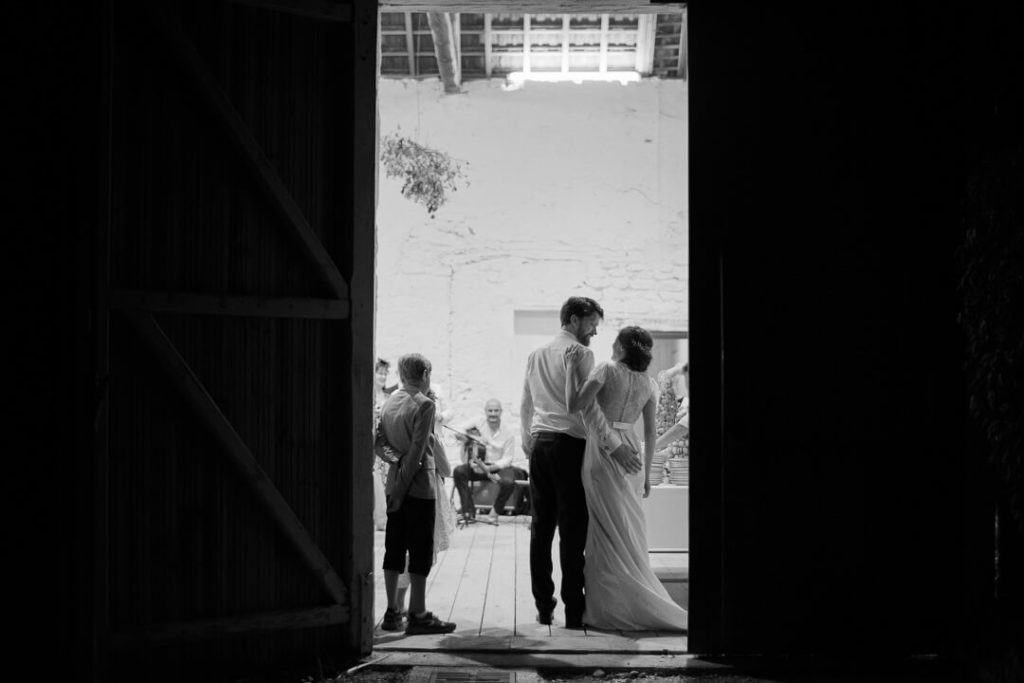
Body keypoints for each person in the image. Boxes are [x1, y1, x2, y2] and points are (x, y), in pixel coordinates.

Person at [520, 296, 642, 628]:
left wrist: (526, 437)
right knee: (573, 531)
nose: (595, 332)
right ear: (574, 320)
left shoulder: (536, 353)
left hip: (540, 445)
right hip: (569, 446)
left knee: (540, 529)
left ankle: (544, 606)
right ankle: (574, 611)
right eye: (591, 324)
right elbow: (587, 408)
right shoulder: (581, 354)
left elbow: (526, 400)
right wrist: (614, 445)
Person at [565, 326, 689, 631]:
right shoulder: (647, 383)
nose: (611, 345)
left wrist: (570, 370)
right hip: (633, 451)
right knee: (628, 528)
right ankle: (632, 597)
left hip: (604, 451)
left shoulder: (606, 369)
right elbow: (650, 432)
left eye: (615, 342)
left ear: (622, 347)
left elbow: (576, 405)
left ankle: (609, 609)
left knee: (605, 529)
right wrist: (647, 474)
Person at [374, 353, 457, 635]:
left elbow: (379, 444)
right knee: (420, 551)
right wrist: (402, 486)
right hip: (419, 488)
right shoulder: (424, 404)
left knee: (393, 548)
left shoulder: (388, 403)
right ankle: (418, 613)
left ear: (400, 373)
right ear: (424, 375)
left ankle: (391, 611)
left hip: (393, 482)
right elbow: (418, 454)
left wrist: (395, 463)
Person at [452, 399, 522, 522]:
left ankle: (495, 511)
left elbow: (508, 458)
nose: (493, 414)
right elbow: (458, 431)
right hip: (478, 466)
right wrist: (464, 438)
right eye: (490, 410)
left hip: (496, 469)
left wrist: (491, 468)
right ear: (485, 411)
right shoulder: (477, 422)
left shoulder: (508, 432)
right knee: (459, 471)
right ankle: (468, 511)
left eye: (496, 411)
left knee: (508, 482)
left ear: (501, 412)